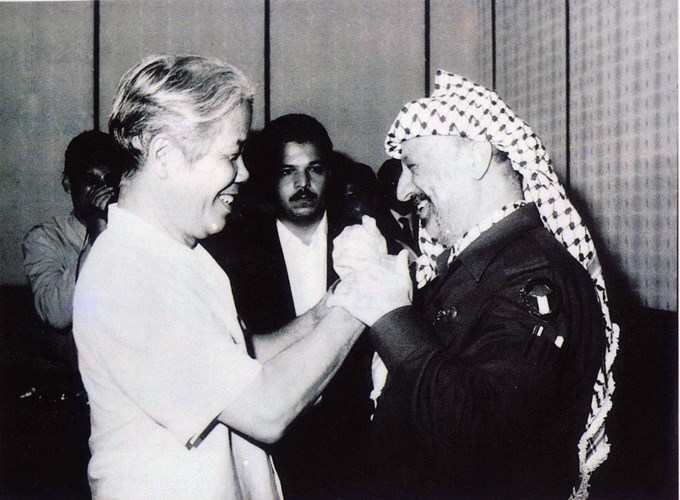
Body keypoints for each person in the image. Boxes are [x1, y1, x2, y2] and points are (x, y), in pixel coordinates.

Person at [72, 55, 365, 499]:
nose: (243, 173)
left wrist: (326, 309)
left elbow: (238, 358)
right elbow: (266, 409)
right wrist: (364, 299)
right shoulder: (127, 275)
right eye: (231, 155)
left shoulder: (182, 253)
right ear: (165, 156)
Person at [330, 70, 619, 498]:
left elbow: (479, 436)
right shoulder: (480, 264)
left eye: (412, 166)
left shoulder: (530, 274)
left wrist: (389, 311)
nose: (403, 191)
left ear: (477, 157)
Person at [205, 114, 373, 498]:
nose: (303, 184)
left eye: (314, 170)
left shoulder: (366, 242)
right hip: (271, 455)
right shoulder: (233, 253)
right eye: (288, 172)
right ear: (270, 177)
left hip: (356, 452)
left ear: (330, 173)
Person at [22, 130, 127, 331]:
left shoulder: (132, 232)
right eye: (91, 181)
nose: (102, 191)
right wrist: (97, 236)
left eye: (110, 181)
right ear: (68, 184)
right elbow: (56, 315)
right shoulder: (44, 239)